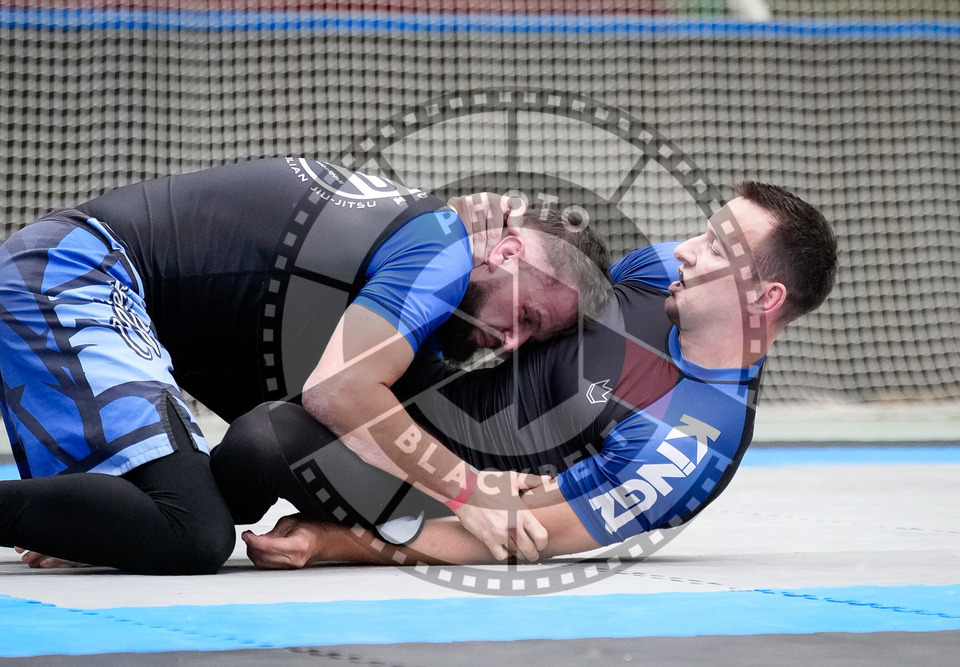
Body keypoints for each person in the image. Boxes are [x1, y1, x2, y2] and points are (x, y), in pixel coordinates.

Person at [0, 158, 610, 574]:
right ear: (506, 251)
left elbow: (313, 420)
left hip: (114, 294)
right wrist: (468, 489)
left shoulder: (430, 236)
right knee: (191, 532)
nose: (509, 343)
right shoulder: (443, 248)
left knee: (193, 506)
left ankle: (98, 514)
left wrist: (95, 524)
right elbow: (337, 391)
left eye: (531, 338)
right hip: (76, 276)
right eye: (525, 315)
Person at [209, 181, 839, 568]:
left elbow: (522, 533)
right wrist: (472, 224)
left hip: (445, 485)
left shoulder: (691, 440)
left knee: (262, 442)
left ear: (763, 299)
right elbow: (547, 277)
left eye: (713, 247)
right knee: (287, 321)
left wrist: (334, 544)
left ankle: (183, 514)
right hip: (419, 392)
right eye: (701, 232)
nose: (684, 248)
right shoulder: (655, 275)